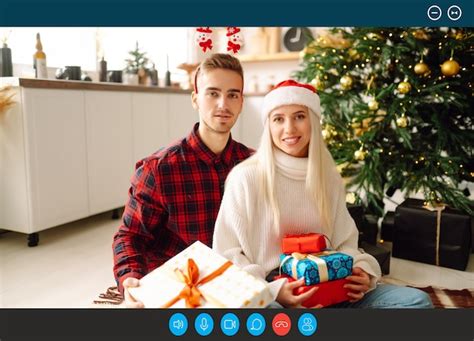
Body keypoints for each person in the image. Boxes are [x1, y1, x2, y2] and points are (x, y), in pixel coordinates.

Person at [213, 80, 433, 308]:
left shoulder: (328, 177)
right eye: (278, 119)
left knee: (417, 301)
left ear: (313, 121)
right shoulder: (245, 178)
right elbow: (227, 254)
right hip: (273, 294)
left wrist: (363, 273)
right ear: (268, 126)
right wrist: (273, 291)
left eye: (299, 116)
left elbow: (345, 242)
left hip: (332, 289)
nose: (289, 128)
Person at [113, 53, 252, 307]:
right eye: (212, 93)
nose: (223, 103)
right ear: (195, 99)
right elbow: (130, 236)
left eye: (233, 94)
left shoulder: (254, 164)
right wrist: (130, 279)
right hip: (179, 288)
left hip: (238, 283)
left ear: (242, 102)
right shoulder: (158, 169)